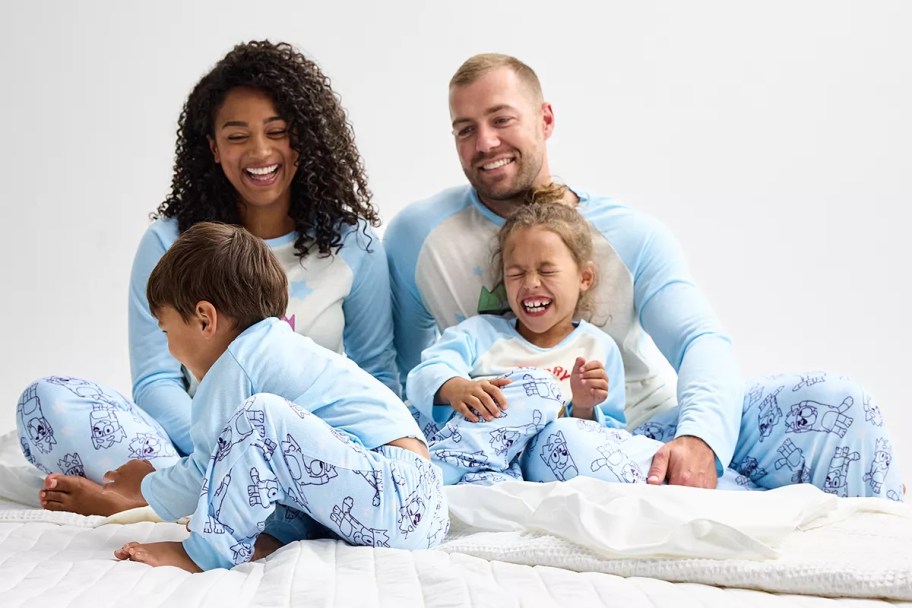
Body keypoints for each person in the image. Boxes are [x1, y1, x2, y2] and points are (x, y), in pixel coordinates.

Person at [385, 53, 903, 499]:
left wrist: (699, 438)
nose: (485, 142)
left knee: (840, 400)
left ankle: (880, 554)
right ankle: (749, 507)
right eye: (465, 129)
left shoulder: (631, 233)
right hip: (555, 446)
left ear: (545, 119)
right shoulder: (419, 235)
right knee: (566, 440)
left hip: (650, 426)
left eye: (502, 119)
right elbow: (404, 372)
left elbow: (700, 339)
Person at [17, 40, 399, 516]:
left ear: (305, 142)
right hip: (187, 443)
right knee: (46, 402)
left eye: (277, 131)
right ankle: (194, 492)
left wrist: (271, 449)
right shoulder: (169, 243)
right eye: (237, 136)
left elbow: (377, 374)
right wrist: (216, 448)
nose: (259, 151)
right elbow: (157, 381)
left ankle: (164, 499)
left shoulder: (353, 244)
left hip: (307, 453)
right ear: (214, 148)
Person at [110, 222, 446, 572]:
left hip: (394, 493)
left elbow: (208, 470)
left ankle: (204, 553)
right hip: (420, 503)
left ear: (204, 319)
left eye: (167, 331)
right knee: (272, 467)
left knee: (258, 420)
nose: (169, 347)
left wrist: (145, 487)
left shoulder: (237, 363)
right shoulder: (281, 347)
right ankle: (273, 537)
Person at [409, 194, 752, 489]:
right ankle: (434, 472)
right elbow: (426, 372)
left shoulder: (598, 348)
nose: (530, 283)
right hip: (474, 450)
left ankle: (707, 486)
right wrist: (454, 387)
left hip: (540, 465)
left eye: (546, 271)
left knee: (554, 415)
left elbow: (604, 436)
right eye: (516, 273)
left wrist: (586, 405)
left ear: (585, 277)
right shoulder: (479, 333)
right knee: (535, 389)